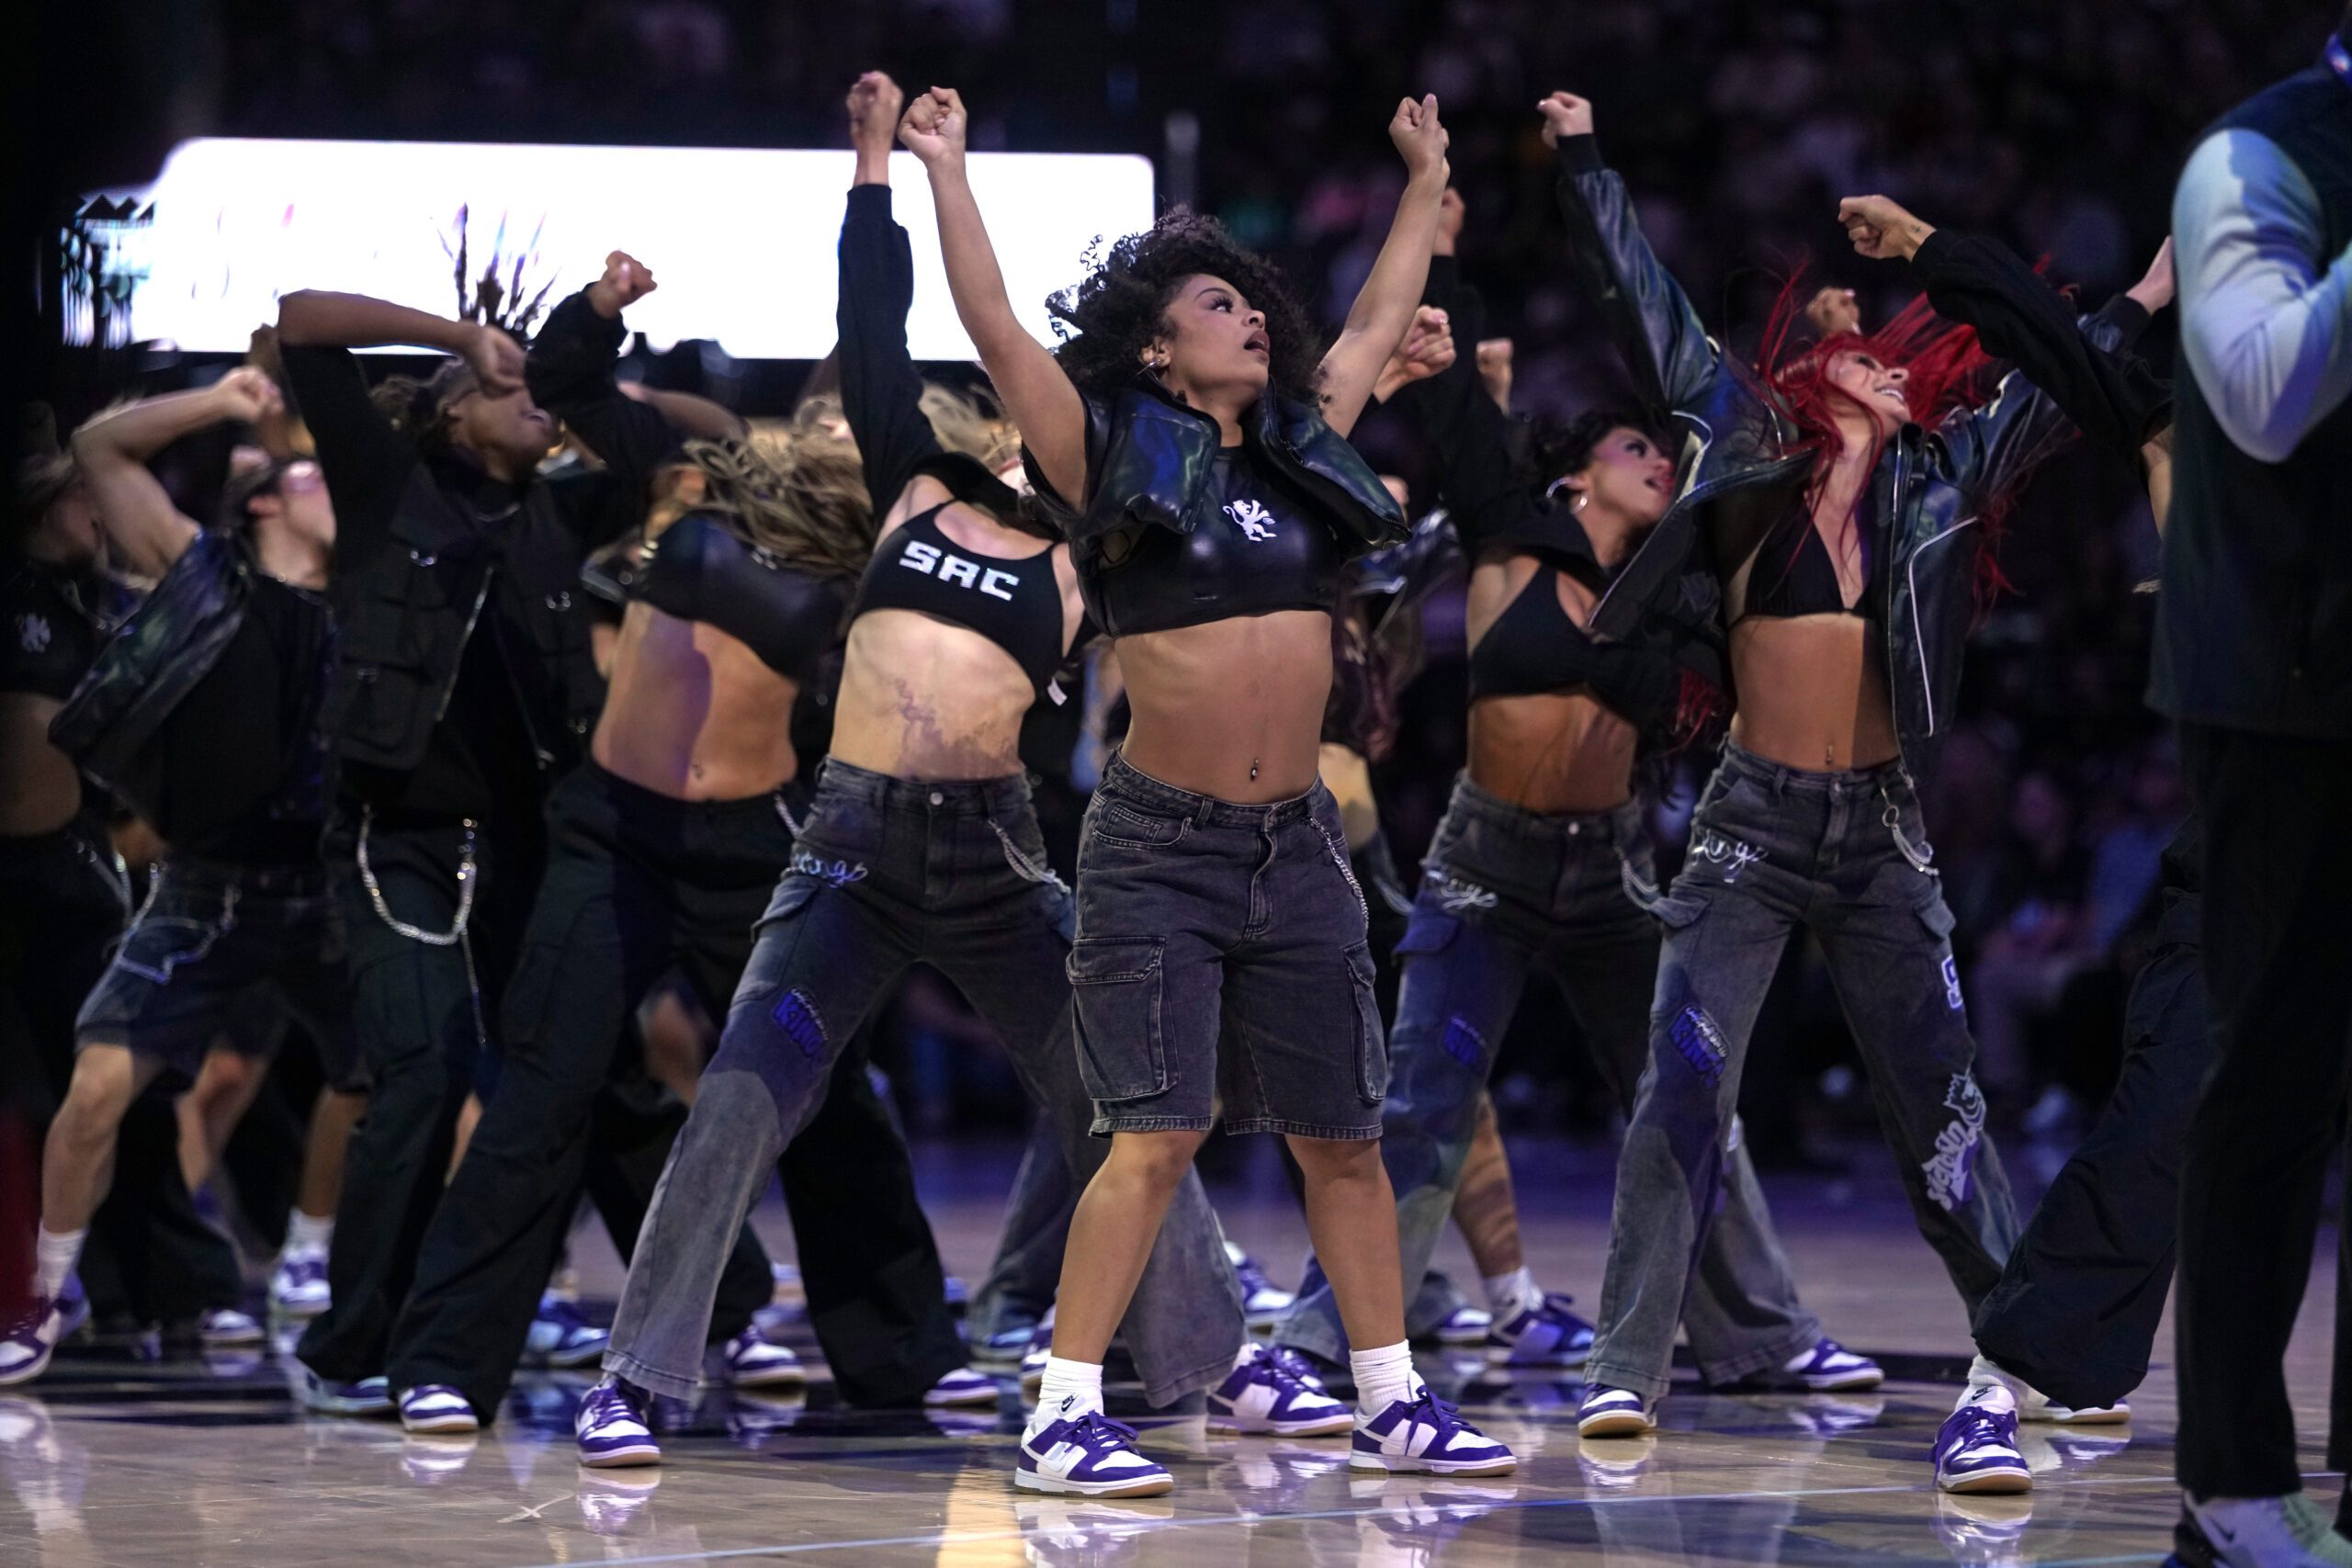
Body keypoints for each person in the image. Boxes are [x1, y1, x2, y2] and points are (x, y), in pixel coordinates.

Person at [571, 72, 1249, 1472]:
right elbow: (874, 322)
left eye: (1038, 414)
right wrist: (891, 162)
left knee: (1122, 1105)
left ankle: (1207, 1362)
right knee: (746, 1093)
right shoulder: (912, 485)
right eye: (998, 408)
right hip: (848, 851)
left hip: (996, 857)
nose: (1011, 419)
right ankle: (638, 1376)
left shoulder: (1097, 549)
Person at [908, 81, 1515, 1495]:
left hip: (1295, 839)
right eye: (1214, 305)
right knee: (1157, 1130)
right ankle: (1064, 1409)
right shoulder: (1106, 449)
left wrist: (1424, 179)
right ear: (1157, 349)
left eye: (1251, 304)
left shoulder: (1304, 452)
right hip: (1158, 844)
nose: (1249, 314)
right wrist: (944, 167)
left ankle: (1391, 1397)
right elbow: (997, 327)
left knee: (1344, 1136)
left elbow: (1372, 321)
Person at [1536, 87, 2120, 1442]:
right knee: (1683, 1086)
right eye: (1867, 356)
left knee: (1943, 1108)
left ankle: (2025, 1349)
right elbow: (1650, 304)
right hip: (1747, 828)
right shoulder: (1745, 453)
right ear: (1814, 380)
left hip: (1879, 833)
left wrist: (2143, 288)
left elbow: (2066, 373)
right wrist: (1581, 156)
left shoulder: (1942, 475)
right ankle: (1626, 1364)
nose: (1892, 365)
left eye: (1909, 365)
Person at [1274, 186, 1875, 1395]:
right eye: (1633, 448)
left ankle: (1758, 1331)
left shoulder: (1682, 596)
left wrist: (1823, 363)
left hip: (1610, 875)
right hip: (1485, 866)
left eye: (1662, 450)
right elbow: (1449, 392)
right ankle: (1316, 1346)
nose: (1658, 460)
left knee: (1689, 1092)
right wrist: (1443, 248)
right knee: (1423, 1110)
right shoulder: (1513, 532)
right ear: (1577, 477)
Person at [382, 243, 970, 1434]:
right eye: (836, 414)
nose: (849, 433)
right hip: (614, 833)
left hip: (757, 842)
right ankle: (444, 1359)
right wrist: (602, 307)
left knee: (824, 1092)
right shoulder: (707, 474)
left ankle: (901, 1348)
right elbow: (565, 375)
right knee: (546, 1089)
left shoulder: (874, 549)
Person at [1812, 197, 2192, 1499]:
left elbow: (2068, 361)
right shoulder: (2195, 414)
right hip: (2259, 818)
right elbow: (2067, 355)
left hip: (2282, 796)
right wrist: (1930, 250)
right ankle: (2006, 1378)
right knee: (2160, 1119)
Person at [273, 286, 628, 1414]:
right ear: (450, 413)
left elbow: (679, 436)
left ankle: (676, 1308)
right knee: (421, 1070)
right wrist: (455, 337)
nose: (530, 402)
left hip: (532, 844)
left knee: (575, 1073)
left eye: (540, 390)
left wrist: (591, 328)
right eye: (505, 387)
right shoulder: (388, 487)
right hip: (399, 839)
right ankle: (355, 1346)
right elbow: (298, 318)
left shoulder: (565, 512)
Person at [2152, 12, 2352, 1562]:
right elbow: (2265, 389)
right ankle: (2229, 1476)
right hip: (2288, 695)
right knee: (2276, 1088)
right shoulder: (2255, 155)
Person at [1, 418, 248, 1376]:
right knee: (26, 1098)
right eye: (81, 498)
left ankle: (179, 1289)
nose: (96, 516)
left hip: (74, 872)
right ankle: (40, 1293)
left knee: (121, 1091)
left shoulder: (100, 601)